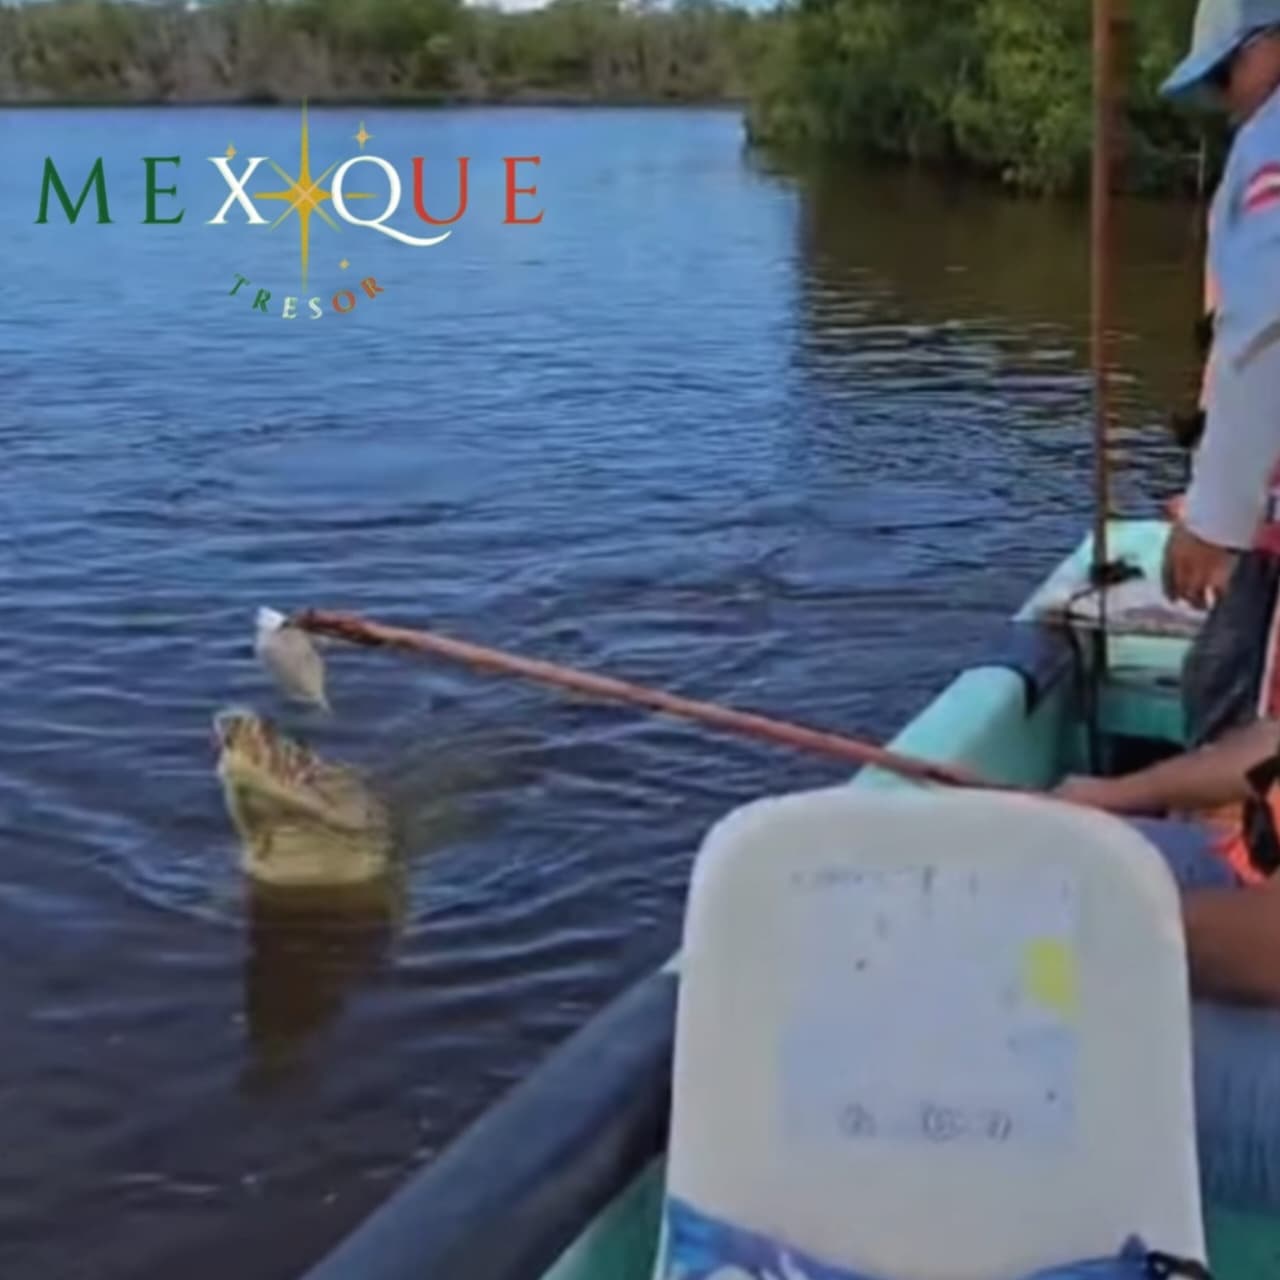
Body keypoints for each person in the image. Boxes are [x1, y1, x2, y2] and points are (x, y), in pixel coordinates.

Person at [1160, 1, 1280, 746]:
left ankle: (1227, 818)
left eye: (1224, 72)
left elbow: (1266, 329)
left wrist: (1215, 517)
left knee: (1225, 689)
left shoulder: (1271, 141)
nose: (1221, 98)